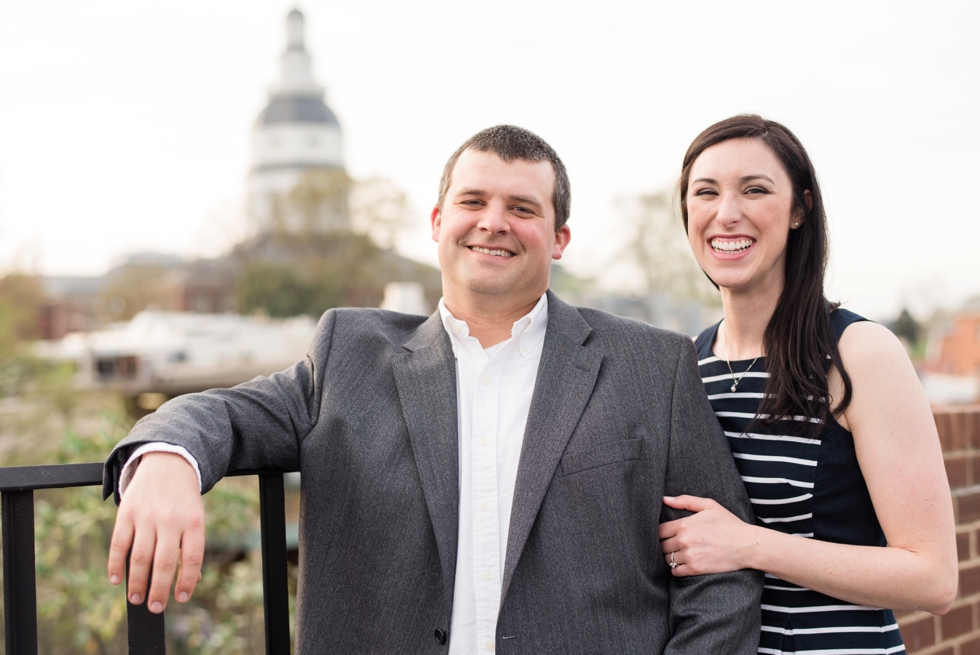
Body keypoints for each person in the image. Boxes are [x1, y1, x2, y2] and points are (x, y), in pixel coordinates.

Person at [103, 125, 762, 654]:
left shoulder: (653, 364)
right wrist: (165, 459)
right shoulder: (347, 353)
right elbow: (224, 412)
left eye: (521, 208)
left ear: (559, 238)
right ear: (438, 220)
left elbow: (722, 580)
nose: (493, 222)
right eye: (474, 202)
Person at [658, 114, 957, 654]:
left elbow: (932, 579)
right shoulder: (688, 362)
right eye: (706, 192)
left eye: (755, 190)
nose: (727, 213)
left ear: (799, 209)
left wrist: (750, 545)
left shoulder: (858, 352)